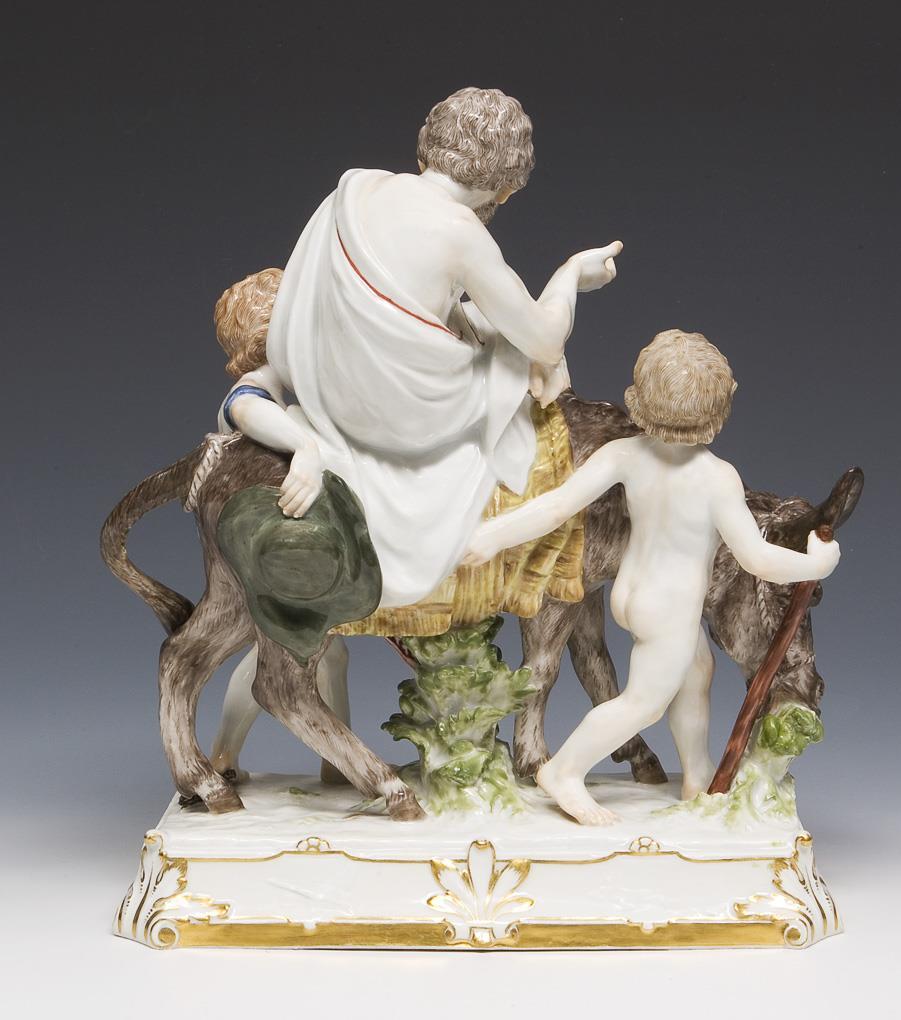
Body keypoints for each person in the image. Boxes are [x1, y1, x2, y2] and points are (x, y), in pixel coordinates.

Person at [220, 87, 622, 609]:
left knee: (483, 325)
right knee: (518, 356)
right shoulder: (461, 233)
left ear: (426, 148)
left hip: (328, 393)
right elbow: (545, 339)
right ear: (504, 190)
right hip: (399, 419)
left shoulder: (354, 189)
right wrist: (569, 276)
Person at [461, 330, 841, 825]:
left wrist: (493, 534)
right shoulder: (717, 478)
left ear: (639, 400)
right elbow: (757, 559)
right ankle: (564, 771)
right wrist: (816, 565)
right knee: (644, 704)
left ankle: (696, 772)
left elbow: (556, 507)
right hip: (670, 609)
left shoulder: (625, 454)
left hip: (631, 593)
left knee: (696, 671)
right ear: (721, 408)